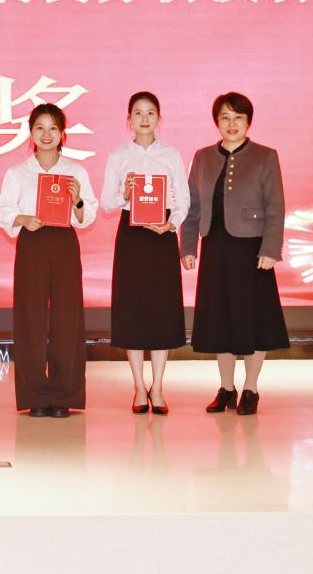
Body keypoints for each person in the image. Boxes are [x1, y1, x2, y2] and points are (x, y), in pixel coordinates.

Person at [181, 92, 289, 416]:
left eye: (238, 118)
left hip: (252, 250)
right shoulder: (202, 157)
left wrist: (270, 249)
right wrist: (188, 247)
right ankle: (226, 388)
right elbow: (192, 207)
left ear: (248, 122)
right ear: (217, 121)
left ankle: (251, 389)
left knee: (252, 321)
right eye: (225, 117)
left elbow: (276, 207)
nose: (231, 124)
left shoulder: (265, 156)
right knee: (220, 320)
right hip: (215, 247)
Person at [0, 103, 97, 418]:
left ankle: (64, 394)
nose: (46, 134)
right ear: (31, 133)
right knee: (30, 318)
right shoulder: (17, 172)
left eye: (53, 128)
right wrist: (23, 218)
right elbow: (0, 211)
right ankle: (35, 394)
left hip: (64, 244)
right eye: (40, 127)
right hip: (32, 243)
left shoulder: (76, 171)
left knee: (67, 318)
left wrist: (77, 199)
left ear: (63, 134)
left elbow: (88, 216)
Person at [99, 92, 189, 415]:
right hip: (131, 236)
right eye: (138, 113)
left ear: (159, 119)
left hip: (162, 235)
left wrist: (171, 224)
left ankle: (159, 387)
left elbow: (183, 199)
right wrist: (124, 193)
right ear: (129, 120)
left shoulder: (171, 154)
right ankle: (139, 386)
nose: (145, 118)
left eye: (151, 113)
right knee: (132, 310)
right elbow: (106, 202)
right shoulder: (118, 155)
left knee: (162, 310)